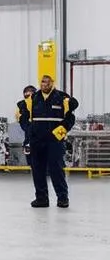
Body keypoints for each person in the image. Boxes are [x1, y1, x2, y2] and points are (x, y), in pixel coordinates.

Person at [19, 74, 79, 209]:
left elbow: (70, 120)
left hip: (55, 142)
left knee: (56, 169)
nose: (44, 84)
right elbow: (23, 118)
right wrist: (30, 133)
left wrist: (59, 135)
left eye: (47, 81)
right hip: (37, 141)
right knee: (38, 170)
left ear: (52, 83)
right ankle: (41, 199)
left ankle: (62, 198)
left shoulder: (62, 98)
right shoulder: (32, 99)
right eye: (42, 81)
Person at [16, 84, 36, 169]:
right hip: (31, 128)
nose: (29, 96)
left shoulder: (21, 104)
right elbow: (20, 118)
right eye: (27, 94)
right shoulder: (22, 105)